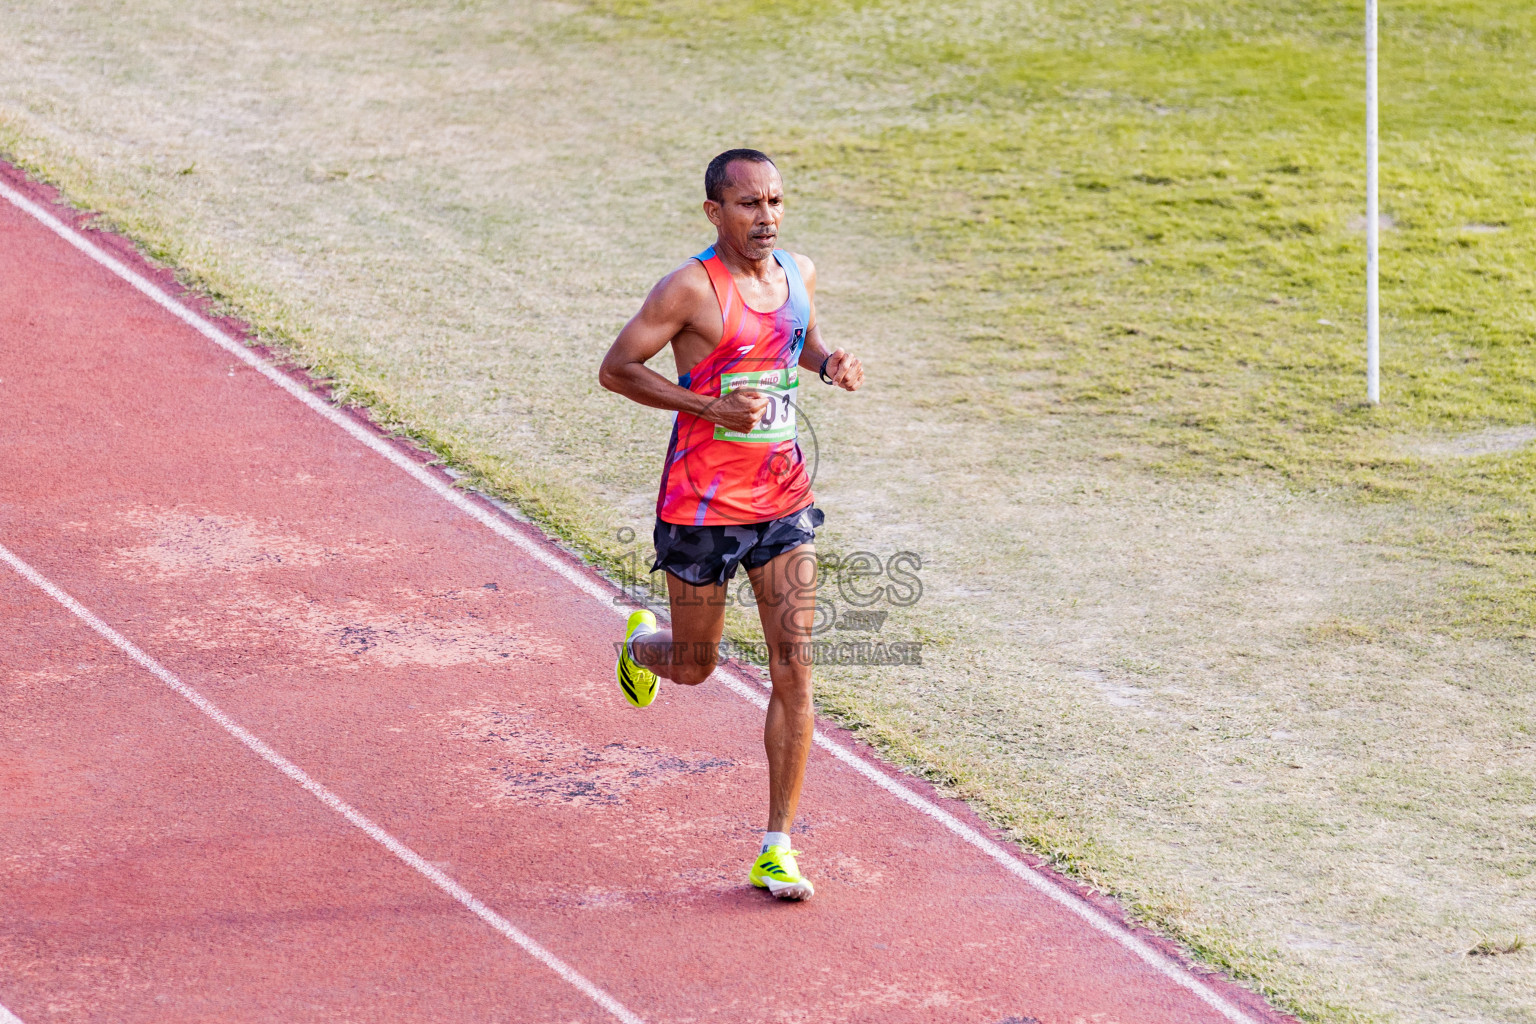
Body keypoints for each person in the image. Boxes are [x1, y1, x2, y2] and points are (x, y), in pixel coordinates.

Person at [597, 148, 864, 900]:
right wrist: (708, 405)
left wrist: (827, 363)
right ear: (715, 212)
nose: (766, 217)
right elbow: (617, 368)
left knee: (795, 668)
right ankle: (642, 647)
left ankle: (777, 848)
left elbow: (796, 339)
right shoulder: (688, 289)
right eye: (749, 204)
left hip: (781, 499)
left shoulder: (798, 274)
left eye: (775, 201)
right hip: (701, 506)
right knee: (695, 666)